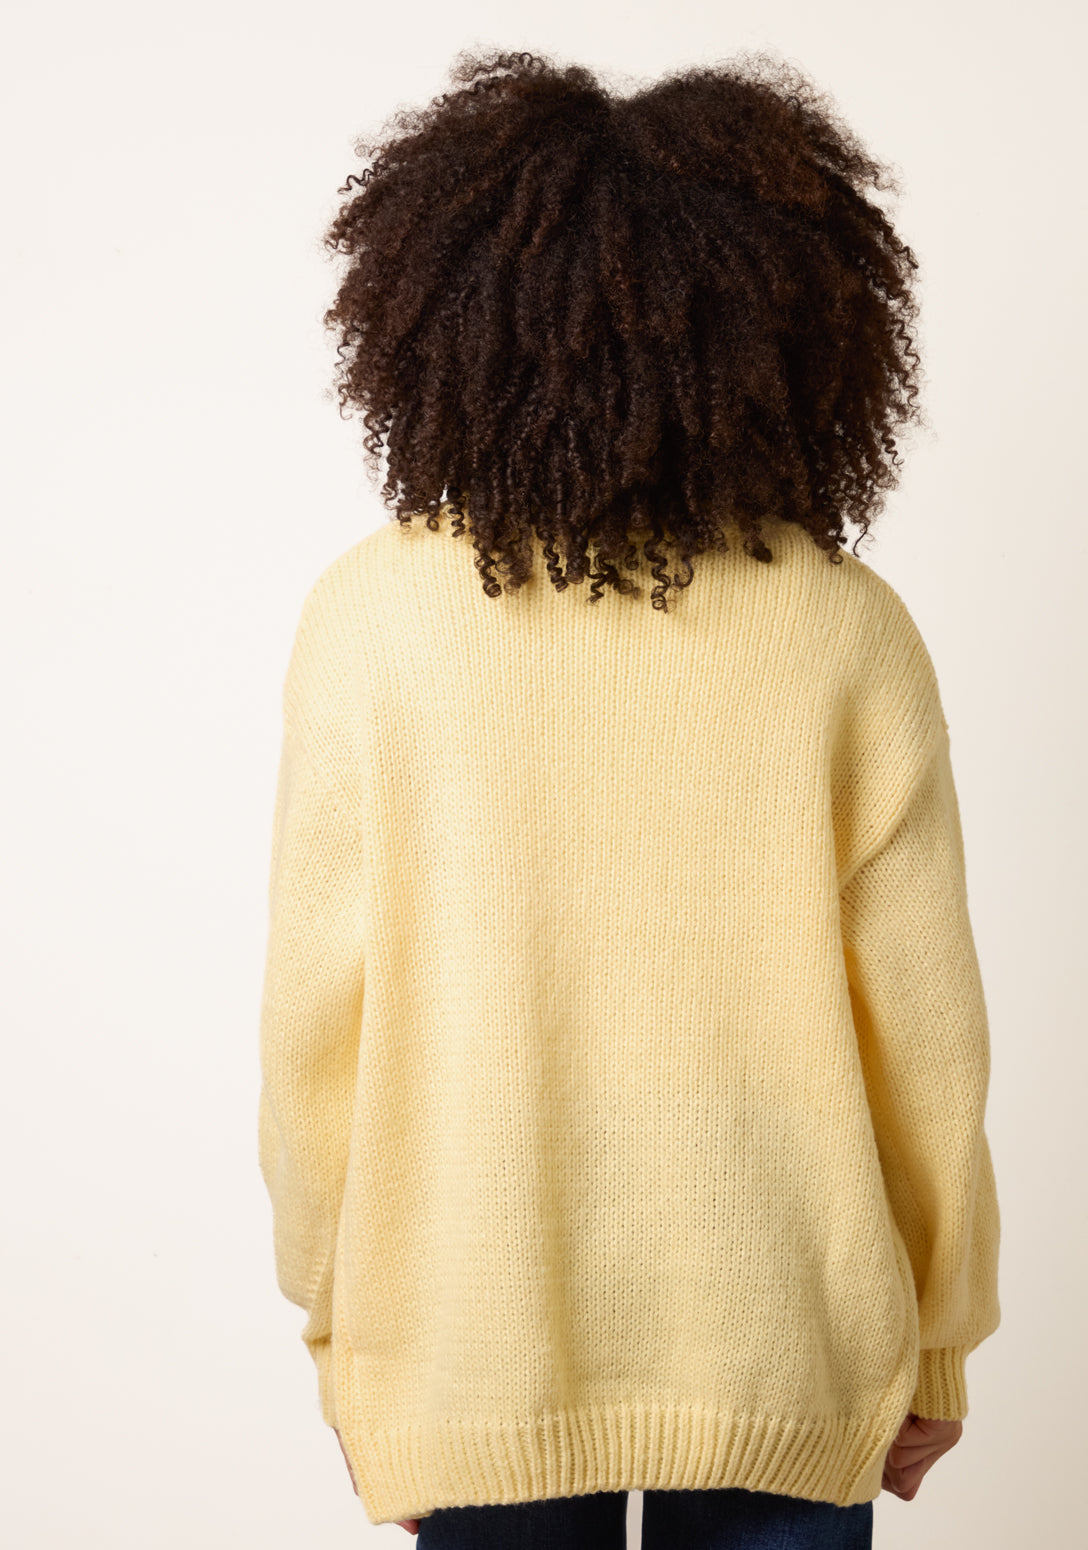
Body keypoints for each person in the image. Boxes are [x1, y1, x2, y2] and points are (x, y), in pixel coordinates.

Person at [258, 46, 1001, 1547]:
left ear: (443, 321)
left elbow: (312, 1031)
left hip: (472, 1339)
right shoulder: (844, 628)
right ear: (793, 328)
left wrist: (346, 1328)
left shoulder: (372, 622)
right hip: (792, 1335)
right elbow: (927, 1041)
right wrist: (935, 1339)